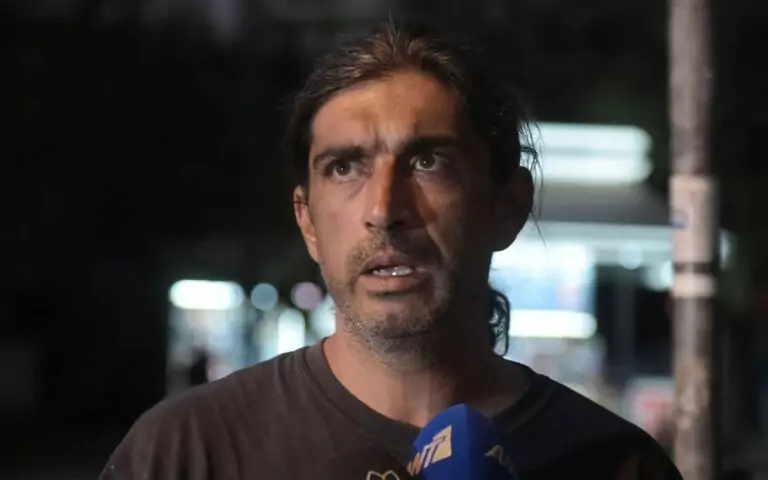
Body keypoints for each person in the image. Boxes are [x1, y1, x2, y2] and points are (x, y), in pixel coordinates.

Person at [100, 22, 682, 479]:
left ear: (507, 207)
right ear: (307, 221)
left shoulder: (616, 463)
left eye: (427, 161)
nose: (383, 209)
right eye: (344, 167)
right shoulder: (183, 453)